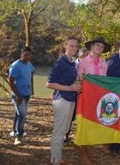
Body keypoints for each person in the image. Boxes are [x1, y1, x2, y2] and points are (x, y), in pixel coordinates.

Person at [46, 36, 82, 165]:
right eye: (71, 45)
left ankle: (59, 157)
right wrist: (70, 87)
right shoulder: (61, 62)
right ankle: (54, 160)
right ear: (65, 46)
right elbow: (49, 84)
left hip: (71, 98)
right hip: (62, 99)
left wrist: (76, 86)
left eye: (76, 46)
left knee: (65, 130)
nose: (74, 48)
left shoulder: (72, 62)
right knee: (59, 130)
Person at [77, 36, 111, 165]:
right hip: (86, 96)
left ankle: (87, 150)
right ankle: (82, 152)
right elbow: (79, 79)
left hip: (99, 97)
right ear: (91, 47)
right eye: (97, 45)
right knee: (84, 124)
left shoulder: (104, 63)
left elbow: (105, 80)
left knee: (93, 123)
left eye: (102, 47)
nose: (99, 48)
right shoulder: (83, 62)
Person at [9, 46, 35, 145]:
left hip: (27, 94)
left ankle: (16, 132)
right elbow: (11, 81)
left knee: (19, 115)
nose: (27, 57)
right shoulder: (15, 65)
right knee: (22, 115)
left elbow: (33, 70)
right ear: (21, 55)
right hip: (18, 95)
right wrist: (18, 95)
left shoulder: (29, 64)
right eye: (25, 55)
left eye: (29, 55)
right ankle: (18, 136)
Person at [64, 47, 89, 143]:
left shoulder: (87, 65)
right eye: (87, 56)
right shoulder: (73, 65)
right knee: (70, 115)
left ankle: (81, 136)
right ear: (82, 56)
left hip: (83, 94)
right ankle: (65, 134)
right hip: (72, 94)